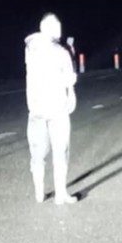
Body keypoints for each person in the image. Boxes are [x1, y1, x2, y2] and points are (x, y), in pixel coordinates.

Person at [24, 13, 78, 204]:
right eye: (56, 27)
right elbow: (66, 77)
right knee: (57, 151)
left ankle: (45, 193)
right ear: (46, 28)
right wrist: (70, 87)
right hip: (53, 109)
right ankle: (58, 193)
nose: (59, 31)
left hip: (41, 110)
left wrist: (70, 90)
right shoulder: (54, 51)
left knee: (44, 153)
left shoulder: (32, 49)